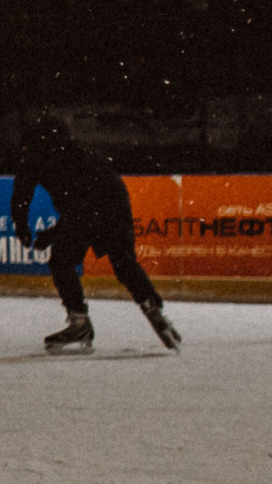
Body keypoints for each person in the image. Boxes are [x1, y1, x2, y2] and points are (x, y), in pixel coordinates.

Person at [10, 115, 180, 353]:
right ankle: (152, 307)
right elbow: (23, 195)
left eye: (28, 147)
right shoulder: (81, 155)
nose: (25, 152)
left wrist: (40, 231)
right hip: (115, 205)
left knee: (61, 260)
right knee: (124, 264)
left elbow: (31, 197)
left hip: (100, 206)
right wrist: (24, 225)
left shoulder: (43, 159)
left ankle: (79, 322)